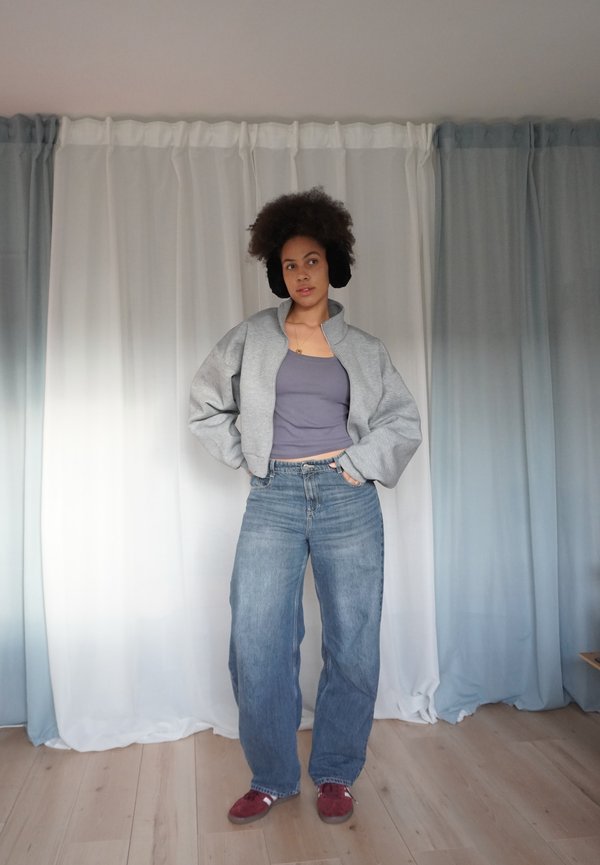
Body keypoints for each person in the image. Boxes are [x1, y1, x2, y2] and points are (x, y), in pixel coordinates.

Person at [189, 187, 421, 824]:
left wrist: (357, 466)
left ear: (333, 263)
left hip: (348, 498)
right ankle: (270, 777)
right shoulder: (251, 338)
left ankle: (337, 772)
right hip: (275, 498)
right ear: (276, 270)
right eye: (289, 264)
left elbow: (402, 422)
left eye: (312, 260)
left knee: (353, 642)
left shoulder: (366, 348)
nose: (301, 274)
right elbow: (205, 406)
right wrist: (250, 459)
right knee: (257, 639)